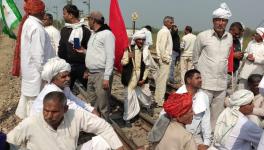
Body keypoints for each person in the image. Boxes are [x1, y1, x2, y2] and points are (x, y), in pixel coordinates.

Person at [7, 91, 124, 150]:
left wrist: (119, 147)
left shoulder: (75, 115)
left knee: (104, 141)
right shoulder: (32, 122)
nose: (48, 116)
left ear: (65, 109)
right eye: (46, 110)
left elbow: (103, 126)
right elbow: (10, 141)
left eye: (54, 112)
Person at [192, 3, 233, 128]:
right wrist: (198, 79)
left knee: (216, 115)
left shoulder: (229, 37)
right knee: (200, 112)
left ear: (226, 22)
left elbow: (227, 60)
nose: (220, 23)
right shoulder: (203, 36)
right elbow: (195, 58)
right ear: (213, 21)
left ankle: (211, 137)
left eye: (224, 20)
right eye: (218, 20)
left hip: (221, 84)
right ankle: (195, 138)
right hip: (205, 83)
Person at [14, 0, 55, 119]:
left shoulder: (28, 23)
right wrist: (47, 75)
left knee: (30, 102)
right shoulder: (37, 27)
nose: (44, 13)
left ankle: (28, 129)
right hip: (37, 74)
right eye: (43, 10)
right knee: (36, 105)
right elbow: (38, 56)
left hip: (30, 73)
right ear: (40, 11)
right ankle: (34, 131)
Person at [151, 69, 211, 149]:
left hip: (194, 136)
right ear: (189, 80)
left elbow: (206, 120)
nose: (201, 80)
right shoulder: (177, 96)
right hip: (175, 134)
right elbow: (163, 117)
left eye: (201, 78)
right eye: (197, 78)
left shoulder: (204, 97)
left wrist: (206, 142)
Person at [75, 11, 115, 121]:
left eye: (89, 20)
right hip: (92, 73)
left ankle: (104, 127)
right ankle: (95, 124)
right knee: (92, 102)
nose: (88, 22)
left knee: (103, 104)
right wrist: (83, 51)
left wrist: (107, 77)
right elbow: (95, 53)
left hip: (101, 74)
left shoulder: (107, 34)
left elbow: (110, 56)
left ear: (93, 20)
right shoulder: (94, 34)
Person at [30, 57, 99, 116]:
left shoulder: (64, 87)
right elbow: (72, 106)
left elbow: (74, 99)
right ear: (53, 79)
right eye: (63, 77)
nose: (68, 79)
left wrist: (91, 109)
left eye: (68, 75)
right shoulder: (52, 91)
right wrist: (91, 116)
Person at [121, 30, 153, 127]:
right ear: (136, 40)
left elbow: (148, 66)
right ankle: (127, 118)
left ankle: (147, 106)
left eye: (143, 40)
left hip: (141, 75)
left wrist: (143, 78)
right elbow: (123, 62)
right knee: (129, 97)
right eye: (139, 39)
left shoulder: (146, 51)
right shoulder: (129, 49)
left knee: (146, 93)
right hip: (131, 76)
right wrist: (129, 58)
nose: (141, 41)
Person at [58, 4, 90, 89]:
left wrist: (87, 69)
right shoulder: (65, 30)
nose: (63, 16)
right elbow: (61, 48)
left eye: (64, 14)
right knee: (65, 90)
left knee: (90, 91)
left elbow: (89, 50)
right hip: (67, 66)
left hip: (82, 66)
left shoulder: (85, 31)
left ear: (71, 15)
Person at [154, 16, 174, 107]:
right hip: (164, 60)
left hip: (162, 59)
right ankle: (160, 100)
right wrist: (165, 58)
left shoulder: (162, 31)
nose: (172, 24)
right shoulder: (165, 32)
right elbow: (162, 47)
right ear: (166, 22)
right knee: (162, 81)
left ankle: (157, 98)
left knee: (160, 80)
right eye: (171, 22)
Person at [227, 22, 244, 92]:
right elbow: (216, 55)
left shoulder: (237, 41)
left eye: (239, 35)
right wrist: (233, 55)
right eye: (236, 34)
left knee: (231, 94)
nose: (237, 36)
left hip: (233, 72)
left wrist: (241, 56)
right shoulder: (224, 39)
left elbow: (237, 54)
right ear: (231, 30)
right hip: (224, 73)